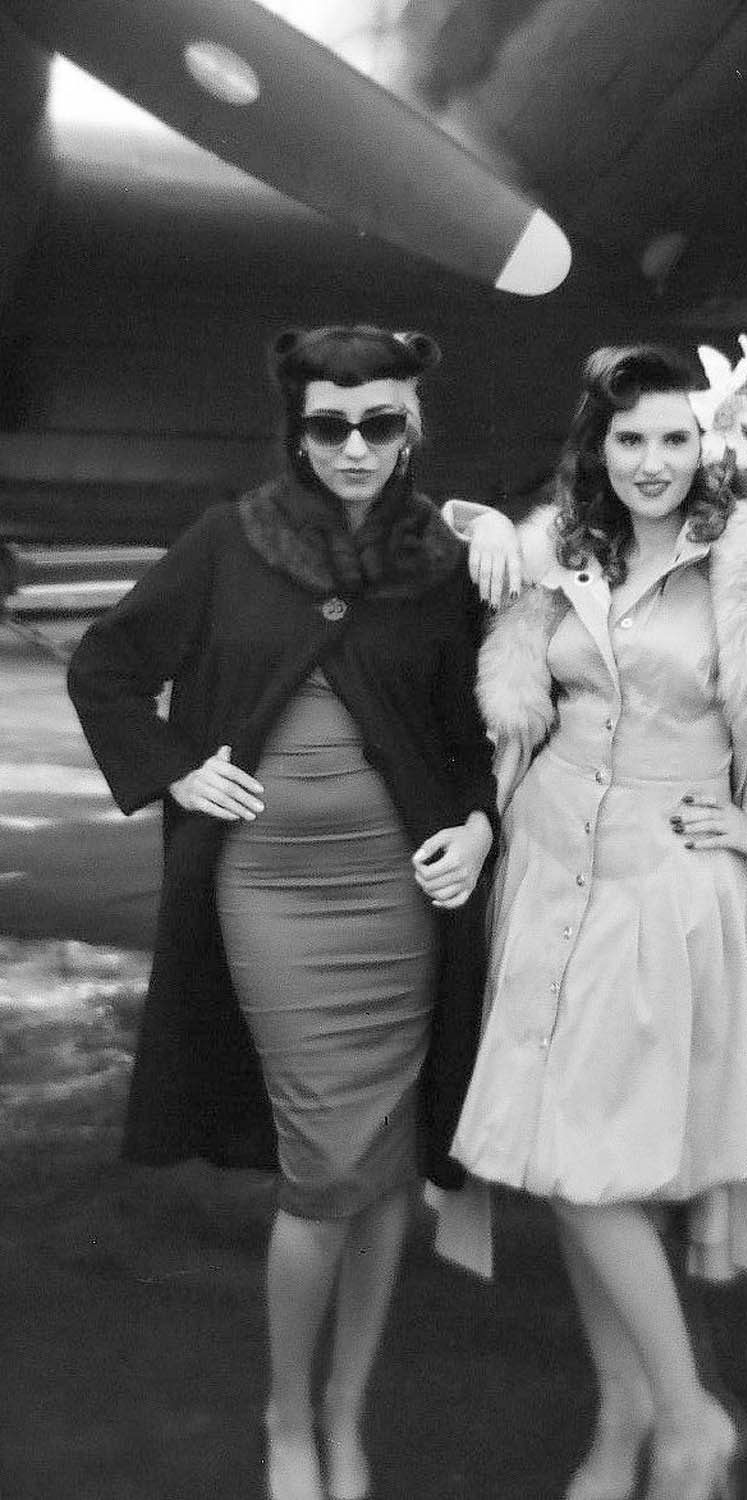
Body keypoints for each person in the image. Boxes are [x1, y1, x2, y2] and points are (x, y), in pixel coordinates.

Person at [445, 338, 747, 1500]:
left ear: (712, 446)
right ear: (595, 448)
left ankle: (692, 1420)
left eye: (672, 438)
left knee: (586, 1172)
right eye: (628, 438)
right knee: (576, 1166)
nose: (650, 462)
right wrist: (491, 534)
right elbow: (496, 652)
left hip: (662, 896)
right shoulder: (564, 548)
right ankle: (628, 1420)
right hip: (546, 877)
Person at [67, 324, 497, 1500]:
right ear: (297, 431)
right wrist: (174, 769)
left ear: (410, 427)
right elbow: (106, 667)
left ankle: (346, 1412)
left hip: (400, 898)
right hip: (269, 896)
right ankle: (287, 1418)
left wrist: (479, 825)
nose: (355, 446)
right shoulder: (231, 541)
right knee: (325, 1170)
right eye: (329, 424)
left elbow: (474, 733)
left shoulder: (444, 562)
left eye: (379, 423)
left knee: (386, 1167)